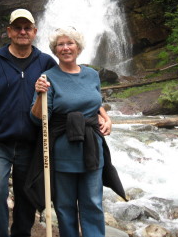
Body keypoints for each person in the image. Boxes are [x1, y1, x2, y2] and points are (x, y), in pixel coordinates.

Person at [0, 8, 57, 237]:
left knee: (26, 198)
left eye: (27, 28)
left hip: (32, 143)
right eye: (18, 27)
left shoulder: (46, 63)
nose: (22, 32)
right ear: (9, 31)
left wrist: (96, 111)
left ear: (35, 32)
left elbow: (65, 94)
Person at [28, 26, 126, 237]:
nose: (65, 48)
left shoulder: (92, 75)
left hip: (92, 148)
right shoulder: (47, 77)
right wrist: (38, 95)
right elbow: (37, 119)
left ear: (78, 47)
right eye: (60, 44)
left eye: (69, 43)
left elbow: (95, 103)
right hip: (63, 152)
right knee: (65, 207)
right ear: (55, 50)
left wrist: (107, 119)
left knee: (93, 203)